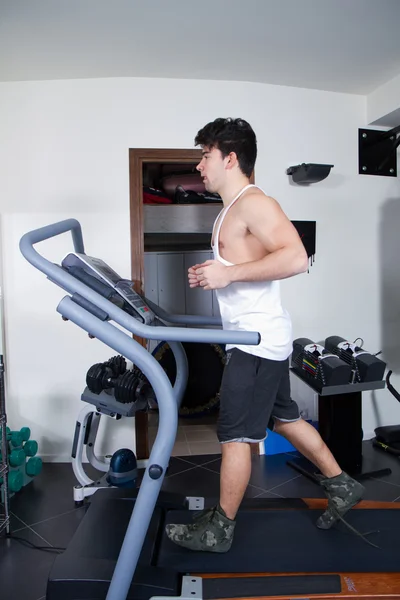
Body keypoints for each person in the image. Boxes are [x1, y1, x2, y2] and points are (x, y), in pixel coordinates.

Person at [166, 117, 364, 553]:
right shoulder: (230, 208)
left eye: (205, 155)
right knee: (285, 418)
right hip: (259, 337)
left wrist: (229, 273)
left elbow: (296, 258)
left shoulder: (255, 202)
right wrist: (217, 277)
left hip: (255, 343)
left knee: (234, 433)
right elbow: (242, 270)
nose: (200, 165)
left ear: (230, 157)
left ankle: (221, 529)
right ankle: (341, 484)